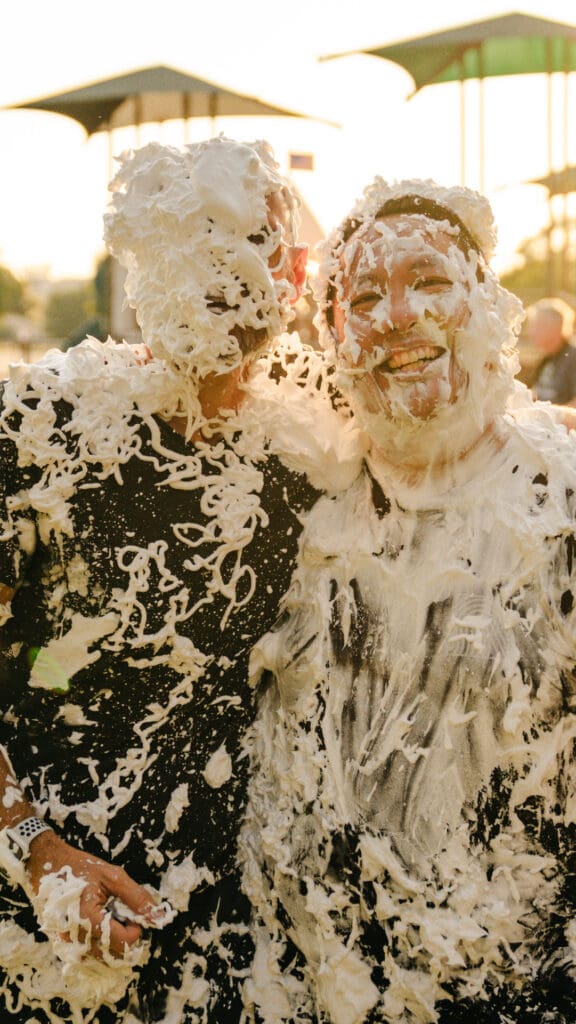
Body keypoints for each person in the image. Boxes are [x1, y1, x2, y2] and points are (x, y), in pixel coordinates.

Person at [0, 137, 361, 1024]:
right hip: (44, 914)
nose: (227, 270)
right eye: (195, 238)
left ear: (297, 268)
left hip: (234, 929)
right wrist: (31, 845)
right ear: (139, 256)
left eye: (252, 244)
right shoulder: (47, 426)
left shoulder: (321, 425)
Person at [240, 178, 576, 1023]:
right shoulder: (294, 500)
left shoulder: (557, 500)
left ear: (487, 305)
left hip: (519, 983)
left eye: (429, 281)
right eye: (362, 297)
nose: (396, 316)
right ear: (335, 336)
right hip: (321, 979)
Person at [526, 296, 576, 405]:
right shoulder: (547, 359)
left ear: (552, 327)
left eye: (535, 326)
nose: (530, 332)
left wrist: (553, 416)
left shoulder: (573, 357)